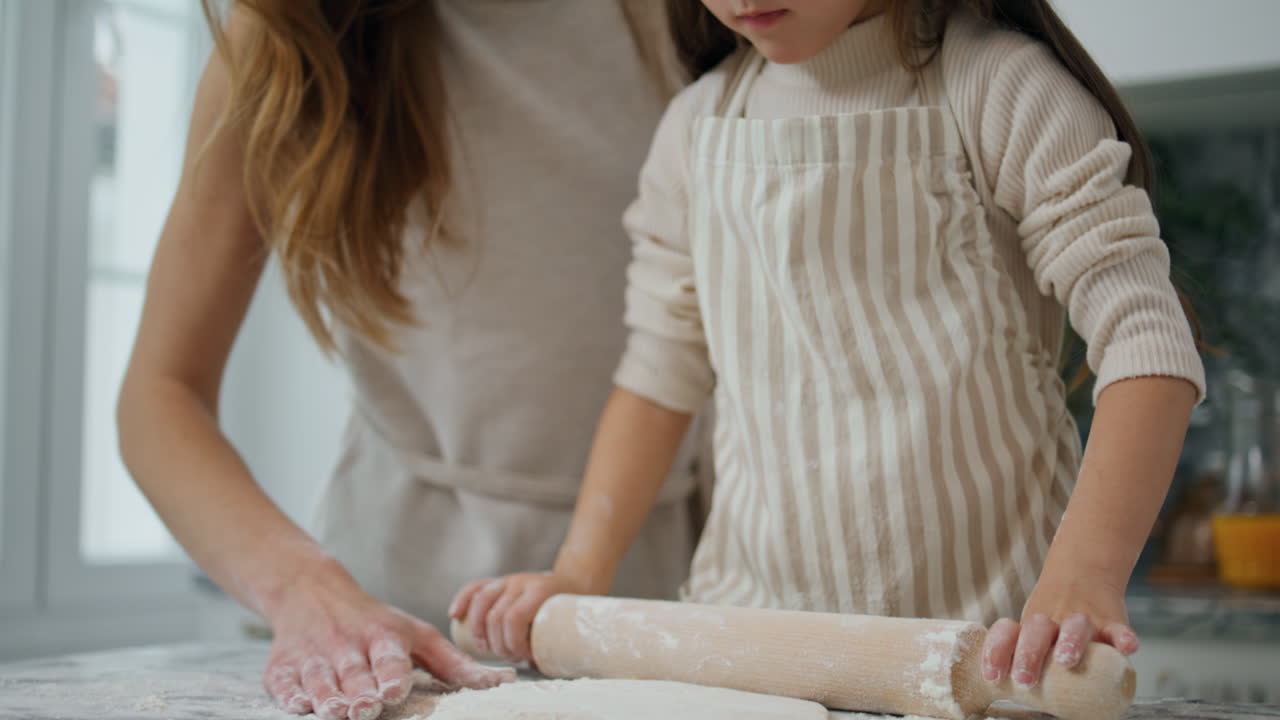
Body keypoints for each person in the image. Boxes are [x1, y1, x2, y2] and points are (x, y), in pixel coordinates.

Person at [455, 0, 1206, 694]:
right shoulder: (695, 127)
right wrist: (579, 572)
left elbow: (1146, 341)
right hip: (751, 658)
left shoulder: (1000, 89)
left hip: (995, 656)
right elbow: (659, 373)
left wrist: (1084, 577)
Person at [116, 2, 707, 719]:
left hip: (664, 597)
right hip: (385, 626)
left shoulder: (703, 14)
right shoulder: (282, 34)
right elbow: (160, 394)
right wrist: (302, 588)